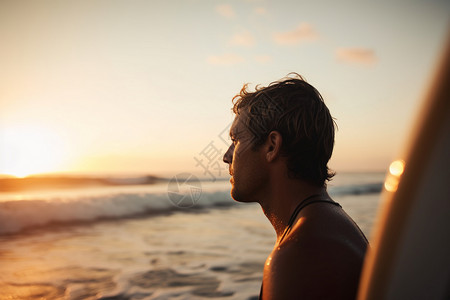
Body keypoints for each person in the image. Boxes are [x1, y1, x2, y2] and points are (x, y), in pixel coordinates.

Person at [222, 74, 369, 299]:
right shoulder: (326, 226)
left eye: (236, 141)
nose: (226, 156)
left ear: (272, 146)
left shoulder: (300, 254)